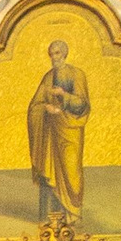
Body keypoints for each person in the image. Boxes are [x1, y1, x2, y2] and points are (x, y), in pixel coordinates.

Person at [25, 35, 90, 223]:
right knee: (51, 170)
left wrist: (64, 96)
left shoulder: (77, 74)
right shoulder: (48, 77)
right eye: (51, 54)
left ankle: (73, 212)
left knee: (71, 170)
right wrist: (46, 109)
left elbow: (83, 104)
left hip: (70, 129)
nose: (54, 57)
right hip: (51, 132)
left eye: (57, 53)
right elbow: (35, 105)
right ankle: (53, 215)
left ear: (65, 53)